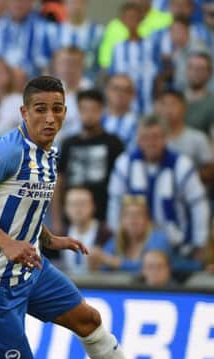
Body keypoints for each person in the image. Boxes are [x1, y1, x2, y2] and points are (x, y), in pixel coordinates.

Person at [0, 76, 188, 359]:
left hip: (32, 267)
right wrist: (8, 243)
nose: (50, 117)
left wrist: (49, 238)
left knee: (88, 319)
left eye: (57, 109)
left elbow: (23, 206)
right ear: (24, 112)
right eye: (40, 110)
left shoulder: (49, 154)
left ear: (66, 112)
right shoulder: (5, 152)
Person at [107, 113, 209, 268]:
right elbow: (115, 203)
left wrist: (199, 242)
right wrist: (119, 238)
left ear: (165, 138)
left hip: (177, 245)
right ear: (139, 140)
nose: (151, 143)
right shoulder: (125, 163)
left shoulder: (182, 165)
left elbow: (198, 205)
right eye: (145, 137)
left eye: (156, 137)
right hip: (135, 245)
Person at [52, 89, 124, 231]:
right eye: (84, 109)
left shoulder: (114, 143)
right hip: (72, 218)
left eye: (93, 109)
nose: (89, 114)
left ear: (102, 111)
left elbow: (120, 183)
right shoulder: (68, 143)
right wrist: (56, 219)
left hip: (104, 218)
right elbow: (57, 181)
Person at [88, 195, 171, 272]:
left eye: (138, 215)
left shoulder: (159, 240)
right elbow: (104, 263)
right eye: (128, 215)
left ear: (147, 220)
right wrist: (95, 262)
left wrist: (114, 262)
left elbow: (150, 268)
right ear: (121, 221)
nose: (133, 220)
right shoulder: (115, 241)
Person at [60, 187, 112, 274]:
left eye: (82, 204)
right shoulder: (59, 235)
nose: (78, 209)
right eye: (73, 204)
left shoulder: (106, 234)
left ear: (93, 206)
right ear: (65, 208)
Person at [102, 74, 140, 148]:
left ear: (133, 95)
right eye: (116, 88)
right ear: (107, 91)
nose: (120, 93)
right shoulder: (96, 119)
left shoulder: (140, 124)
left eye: (126, 90)